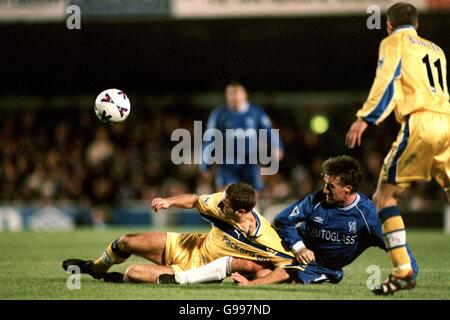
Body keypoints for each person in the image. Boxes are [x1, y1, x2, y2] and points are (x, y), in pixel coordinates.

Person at [158, 156, 418, 287]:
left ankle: (193, 279)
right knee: (251, 263)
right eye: (325, 184)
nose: (324, 190)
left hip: (321, 268)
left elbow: (397, 247)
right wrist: (299, 247)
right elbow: (283, 221)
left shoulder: (368, 218)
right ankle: (196, 273)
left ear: (348, 189)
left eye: (331, 186)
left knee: (286, 275)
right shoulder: (318, 199)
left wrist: (409, 272)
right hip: (288, 250)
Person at [345, 2, 450, 295]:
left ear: (389, 25)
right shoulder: (435, 48)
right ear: (418, 25)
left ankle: (403, 270)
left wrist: (365, 118)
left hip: (421, 122)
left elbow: (387, 82)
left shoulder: (393, 42)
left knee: (384, 196)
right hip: (448, 121)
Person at [62, 182, 297, 283]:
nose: (218, 204)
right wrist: (169, 201)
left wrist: (253, 281)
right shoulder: (220, 202)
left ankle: (122, 280)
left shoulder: (268, 240)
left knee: (134, 272)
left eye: (224, 204)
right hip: (190, 244)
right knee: (126, 241)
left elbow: (287, 270)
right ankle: (95, 267)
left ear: (242, 211)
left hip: (196, 269)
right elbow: (195, 200)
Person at [200, 82, 283, 192]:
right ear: (227, 96)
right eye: (232, 94)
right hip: (227, 163)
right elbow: (209, 139)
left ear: (244, 95)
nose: (235, 97)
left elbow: (269, 131)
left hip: (250, 161)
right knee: (226, 194)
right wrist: (205, 164)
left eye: (237, 93)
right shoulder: (219, 114)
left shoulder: (256, 113)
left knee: (252, 194)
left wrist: (277, 147)